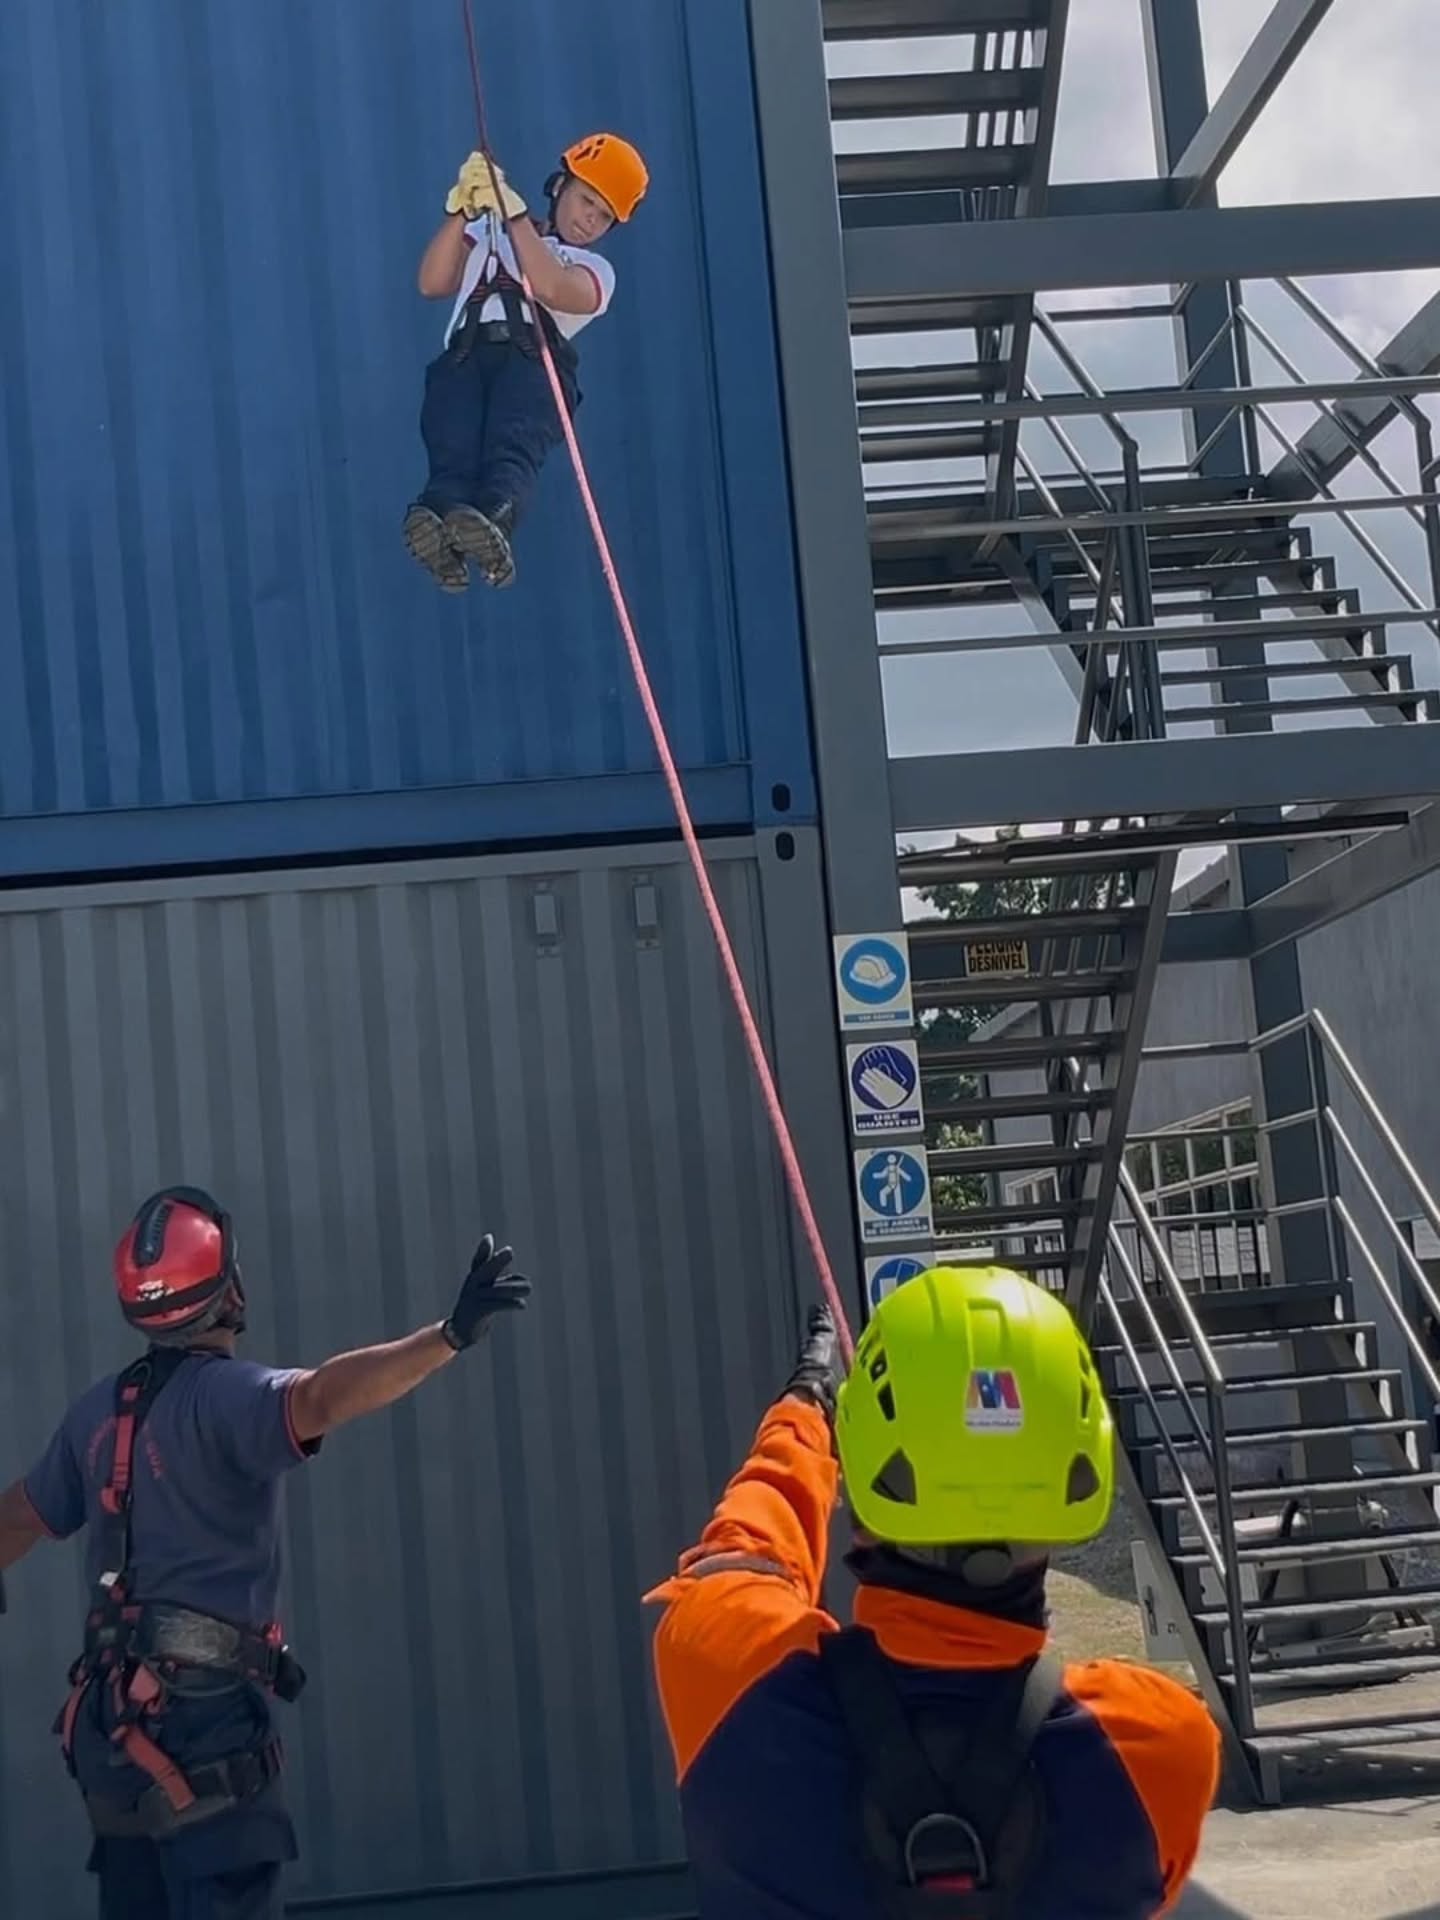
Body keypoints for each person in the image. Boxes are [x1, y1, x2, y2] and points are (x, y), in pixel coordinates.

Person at [0, 1184, 531, 1920]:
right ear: (230, 1290)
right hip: (204, 1728)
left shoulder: (95, 1414)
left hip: (109, 1735)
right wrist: (446, 1336)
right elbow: (322, 1397)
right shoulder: (229, 1397)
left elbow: (18, 1517)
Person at [648, 1265, 1221, 1919]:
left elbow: (746, 1553)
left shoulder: (730, 1681)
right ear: (1076, 1476)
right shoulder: (1161, 1749)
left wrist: (806, 1410)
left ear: (864, 1479)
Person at [403, 132, 648, 594]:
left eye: (603, 216)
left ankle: (493, 517)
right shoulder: (489, 233)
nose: (590, 220)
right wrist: (460, 212)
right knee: (452, 442)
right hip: (465, 356)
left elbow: (551, 287)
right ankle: (441, 517)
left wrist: (512, 215)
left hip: (533, 366)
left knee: (511, 445)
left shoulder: (595, 270)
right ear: (560, 186)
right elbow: (432, 282)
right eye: (586, 200)